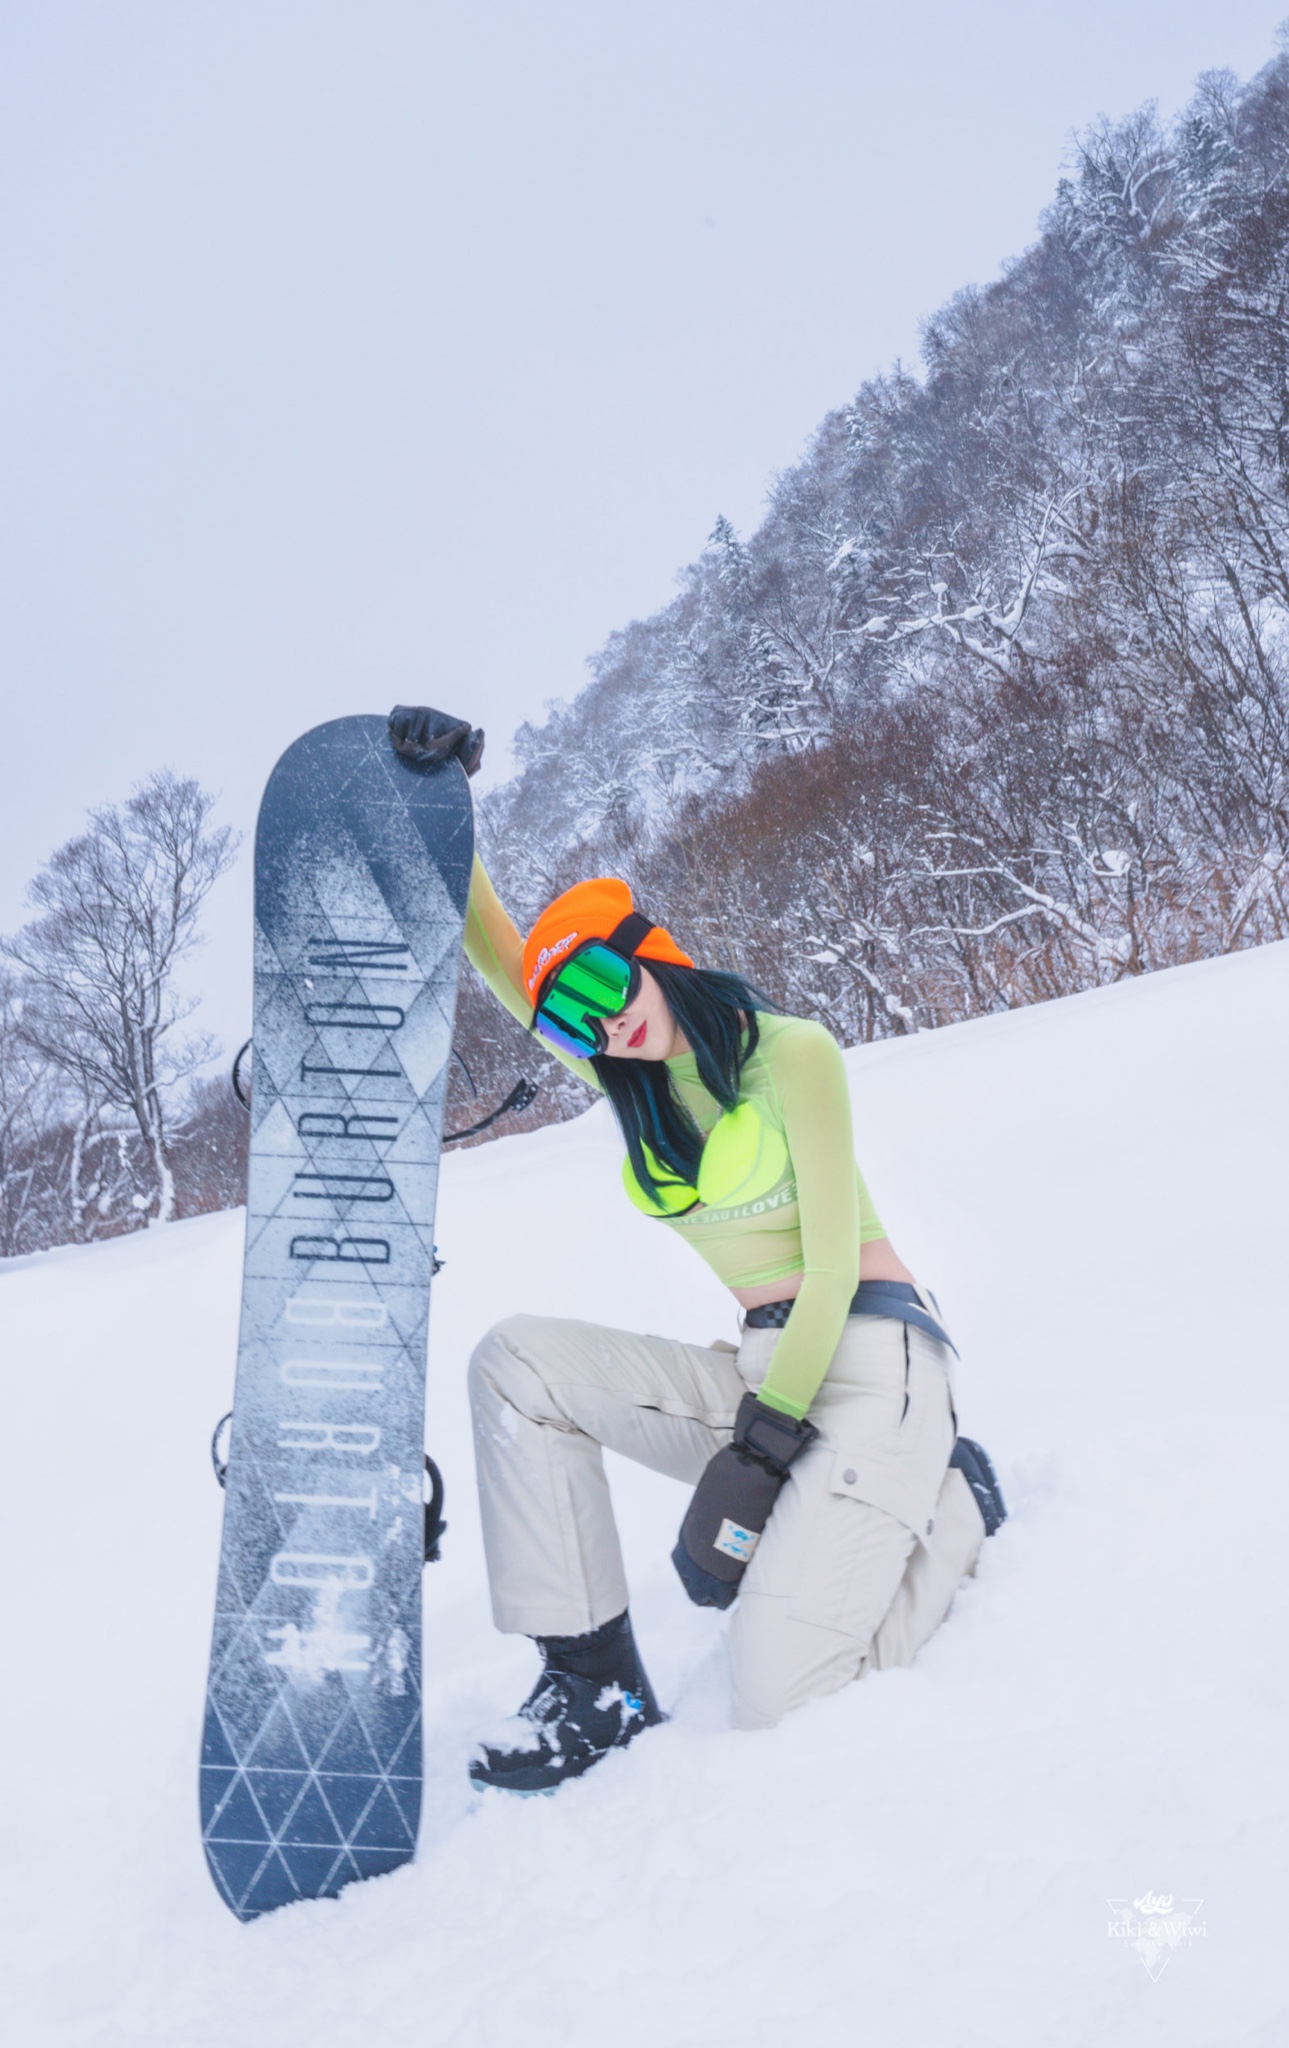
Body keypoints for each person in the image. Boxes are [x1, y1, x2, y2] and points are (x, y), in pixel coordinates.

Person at [389, 707, 1006, 1795]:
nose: (602, 1025)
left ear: (651, 956)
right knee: (517, 1364)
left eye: (603, 988)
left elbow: (826, 1269)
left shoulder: (789, 1056)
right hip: (762, 1375)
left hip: (871, 1368)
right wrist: (445, 806)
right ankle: (594, 1684)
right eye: (572, 1021)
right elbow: (501, 961)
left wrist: (763, 1453)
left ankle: (954, 1502)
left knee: (776, 1695)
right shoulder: (629, 1079)